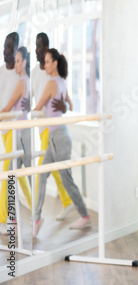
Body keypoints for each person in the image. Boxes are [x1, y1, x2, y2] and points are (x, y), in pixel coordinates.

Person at [33, 48, 91, 238]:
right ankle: (37, 218)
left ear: (55, 63)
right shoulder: (62, 82)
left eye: (48, 62)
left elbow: (38, 108)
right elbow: (70, 106)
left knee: (67, 179)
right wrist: (64, 106)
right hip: (55, 137)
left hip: (59, 137)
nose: (45, 65)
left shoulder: (52, 83)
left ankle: (84, 216)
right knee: (42, 174)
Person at [31, 33, 75, 221]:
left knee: (48, 168)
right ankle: (67, 202)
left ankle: (38, 215)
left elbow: (65, 102)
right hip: (42, 127)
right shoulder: (34, 72)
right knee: (54, 168)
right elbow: (32, 99)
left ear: (47, 47)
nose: (37, 49)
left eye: (40, 46)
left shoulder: (54, 76)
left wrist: (64, 107)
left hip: (53, 129)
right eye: (36, 45)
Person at [0, 46, 33, 224]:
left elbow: (7, 108)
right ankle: (35, 210)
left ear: (25, 62)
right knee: (19, 174)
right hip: (22, 132)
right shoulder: (27, 81)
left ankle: (3, 218)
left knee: (7, 176)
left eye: (19, 61)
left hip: (17, 133)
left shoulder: (21, 82)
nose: (16, 64)